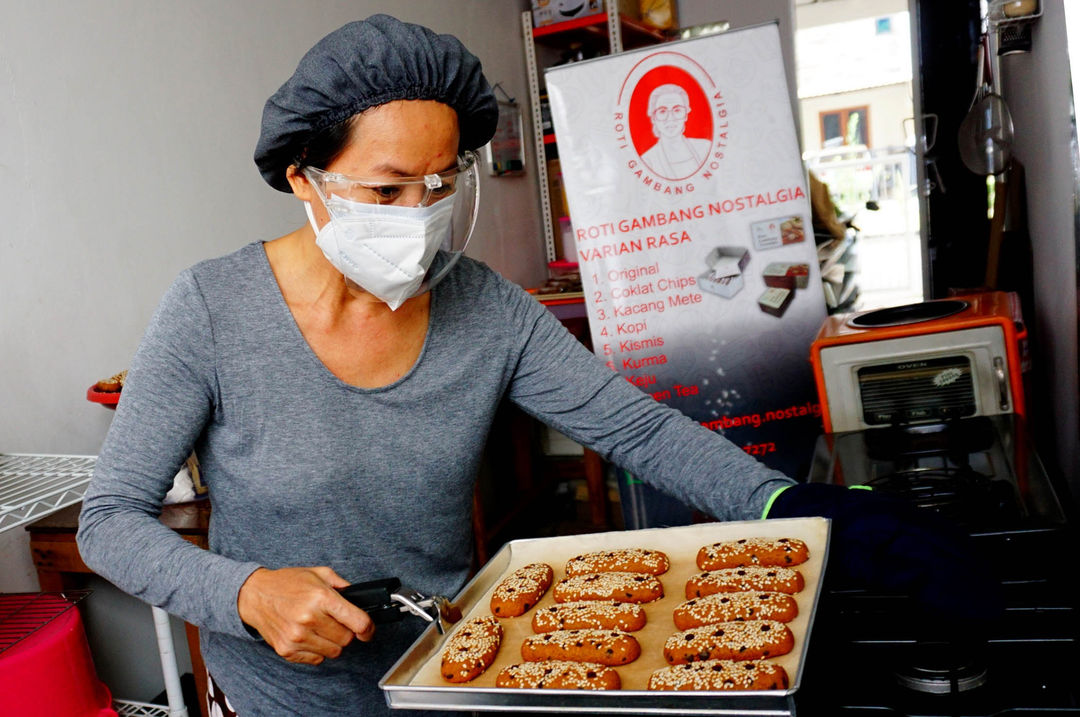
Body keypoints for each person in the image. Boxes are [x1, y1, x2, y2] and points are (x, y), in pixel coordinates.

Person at [77, 15, 997, 717]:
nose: (419, 213)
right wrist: (244, 589)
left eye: (441, 185)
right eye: (388, 188)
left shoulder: (486, 308)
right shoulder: (211, 307)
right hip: (282, 693)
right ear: (302, 176)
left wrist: (780, 505)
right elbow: (109, 520)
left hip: (449, 668)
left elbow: (635, 427)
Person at [639, 83, 711, 180]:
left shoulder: (705, 148)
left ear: (686, 115)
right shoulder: (648, 161)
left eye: (677, 110)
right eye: (662, 111)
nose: (670, 118)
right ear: (653, 118)